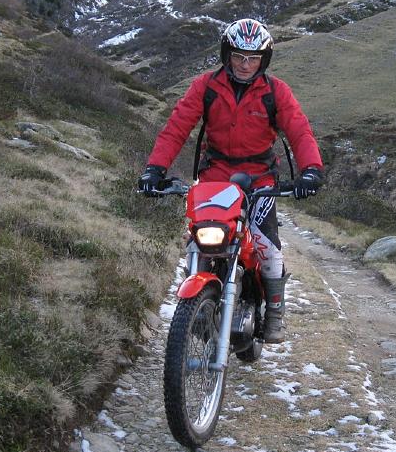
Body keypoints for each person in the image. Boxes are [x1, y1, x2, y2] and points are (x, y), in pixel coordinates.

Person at [138, 18, 324, 343]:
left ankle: (274, 314)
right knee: (200, 242)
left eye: (253, 58)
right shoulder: (206, 87)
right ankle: (197, 302)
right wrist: (155, 169)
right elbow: (177, 127)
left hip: (260, 180)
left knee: (267, 248)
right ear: (227, 54)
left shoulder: (276, 92)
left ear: (263, 60)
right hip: (215, 178)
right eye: (238, 56)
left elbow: (299, 130)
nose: (245, 64)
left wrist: (311, 170)